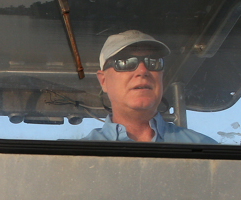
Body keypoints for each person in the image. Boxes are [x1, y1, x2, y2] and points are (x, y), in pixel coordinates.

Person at [83, 30, 216, 144]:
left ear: (161, 76)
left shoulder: (208, 150)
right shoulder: (75, 158)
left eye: (153, 61)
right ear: (103, 81)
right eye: (126, 62)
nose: (142, 70)